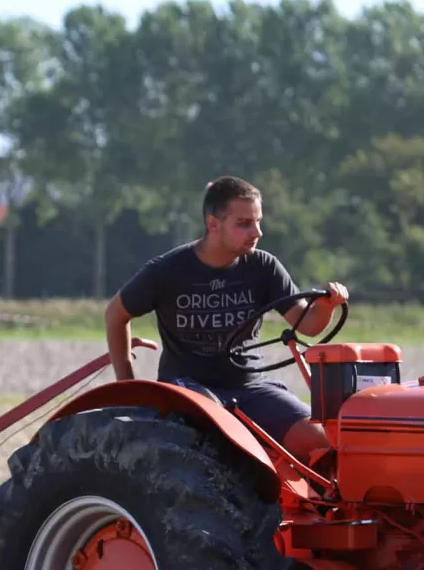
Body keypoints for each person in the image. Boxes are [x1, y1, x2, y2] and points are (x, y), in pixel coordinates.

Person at [105, 176, 348, 463]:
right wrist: (127, 387)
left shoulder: (264, 267)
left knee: (321, 446)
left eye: (258, 222)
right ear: (213, 224)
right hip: (189, 387)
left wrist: (328, 306)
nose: (256, 232)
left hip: (250, 387)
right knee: (224, 446)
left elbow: (307, 325)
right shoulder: (168, 270)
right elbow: (116, 314)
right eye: (244, 223)